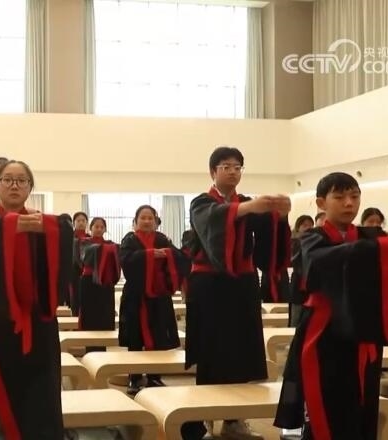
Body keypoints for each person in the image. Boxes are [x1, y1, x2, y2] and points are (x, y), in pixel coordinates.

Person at [274, 172, 388, 440]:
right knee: (327, 405)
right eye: (339, 197)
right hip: (325, 333)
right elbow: (319, 262)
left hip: (365, 333)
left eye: (354, 196)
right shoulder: (311, 238)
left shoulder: (370, 236)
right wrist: (386, 250)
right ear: (321, 203)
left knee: (364, 404)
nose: (349, 203)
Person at [187, 146, 291, 439]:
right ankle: (206, 418)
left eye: (237, 167)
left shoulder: (247, 203)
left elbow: (269, 233)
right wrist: (250, 208)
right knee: (212, 350)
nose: (233, 171)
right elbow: (214, 220)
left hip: (243, 283)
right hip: (209, 285)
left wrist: (280, 215)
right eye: (226, 166)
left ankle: (234, 420)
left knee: (240, 351)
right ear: (213, 171)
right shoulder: (201, 203)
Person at [0, 160, 74, 439]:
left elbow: (65, 230)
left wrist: (42, 227)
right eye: (7, 179)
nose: (14, 185)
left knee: (41, 406)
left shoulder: (44, 224)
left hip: (38, 331)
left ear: (30, 187)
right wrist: (10, 225)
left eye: (22, 180)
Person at [119, 206, 188, 395]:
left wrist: (168, 255)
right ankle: (134, 376)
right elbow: (125, 260)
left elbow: (179, 256)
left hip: (158, 295)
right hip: (136, 295)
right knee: (135, 338)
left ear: (156, 221)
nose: (147, 221)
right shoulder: (130, 240)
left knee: (158, 336)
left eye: (150, 218)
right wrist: (149, 255)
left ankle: (154, 376)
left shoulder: (162, 239)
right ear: (135, 221)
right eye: (143, 218)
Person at [77, 217, 120, 353]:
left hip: (105, 282)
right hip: (89, 282)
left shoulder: (110, 244)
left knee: (104, 314)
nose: (99, 229)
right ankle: (89, 348)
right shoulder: (83, 242)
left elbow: (118, 252)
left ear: (105, 229)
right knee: (90, 314)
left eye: (102, 227)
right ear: (91, 228)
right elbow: (84, 257)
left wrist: (108, 249)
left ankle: (102, 348)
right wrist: (106, 249)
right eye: (96, 226)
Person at [289, 215, 315, 327]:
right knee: (295, 319)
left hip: (311, 287)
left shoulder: (315, 242)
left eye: (310, 225)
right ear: (298, 227)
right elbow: (294, 261)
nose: (308, 228)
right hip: (298, 286)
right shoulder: (294, 242)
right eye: (304, 225)